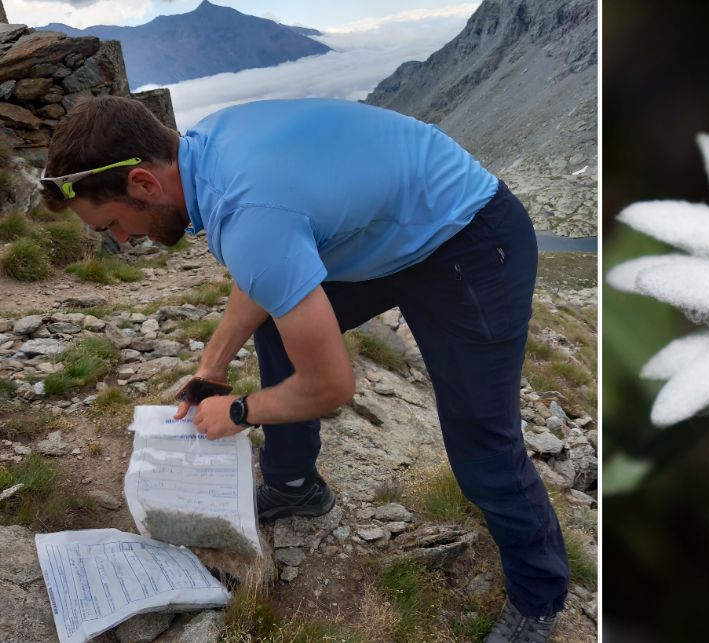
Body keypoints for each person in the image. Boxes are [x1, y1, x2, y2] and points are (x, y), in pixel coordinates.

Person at [39, 95, 567, 642]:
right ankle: (294, 484)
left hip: (470, 239)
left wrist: (240, 412)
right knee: (274, 323)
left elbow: (331, 385)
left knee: (483, 441)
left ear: (144, 184)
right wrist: (211, 369)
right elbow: (266, 271)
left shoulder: (246, 212)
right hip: (390, 233)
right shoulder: (206, 153)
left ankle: (539, 598)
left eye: (113, 224)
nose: (121, 240)